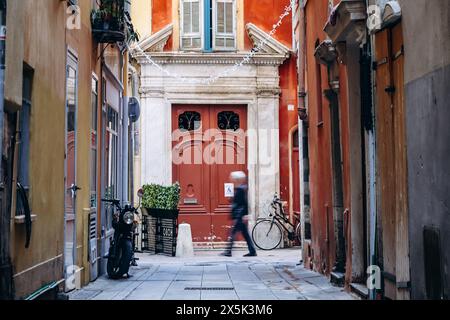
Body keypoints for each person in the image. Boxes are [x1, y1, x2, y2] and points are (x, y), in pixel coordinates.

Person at [222, 171, 257, 257]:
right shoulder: (240, 188)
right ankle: (252, 251)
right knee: (245, 235)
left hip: (239, 215)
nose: (231, 180)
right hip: (239, 214)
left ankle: (228, 251)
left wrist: (244, 214)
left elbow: (244, 203)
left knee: (233, 233)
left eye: (233, 178)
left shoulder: (241, 189)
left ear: (237, 180)